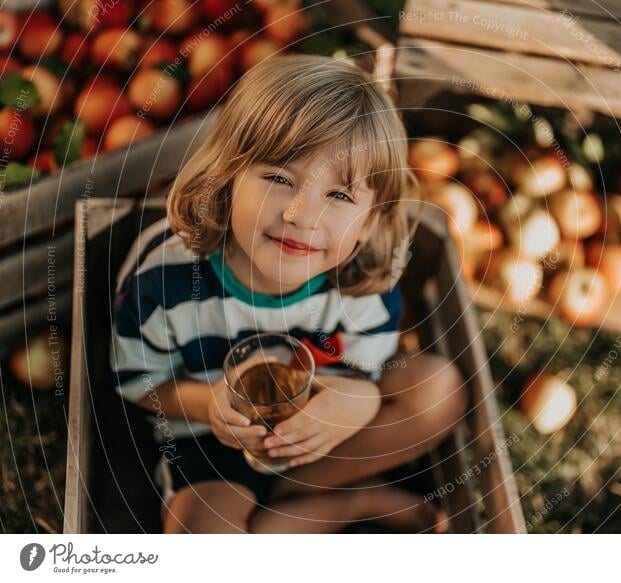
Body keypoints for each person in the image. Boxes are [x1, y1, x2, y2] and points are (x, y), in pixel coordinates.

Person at [109, 54, 467, 534]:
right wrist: (210, 402)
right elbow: (142, 383)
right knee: (203, 537)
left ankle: (305, 501)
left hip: (322, 436)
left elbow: (367, 374)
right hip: (214, 445)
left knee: (436, 392)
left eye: (339, 196)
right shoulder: (164, 281)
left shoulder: (360, 287)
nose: (303, 215)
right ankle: (334, 507)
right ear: (228, 176)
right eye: (279, 179)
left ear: (369, 223)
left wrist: (357, 402)